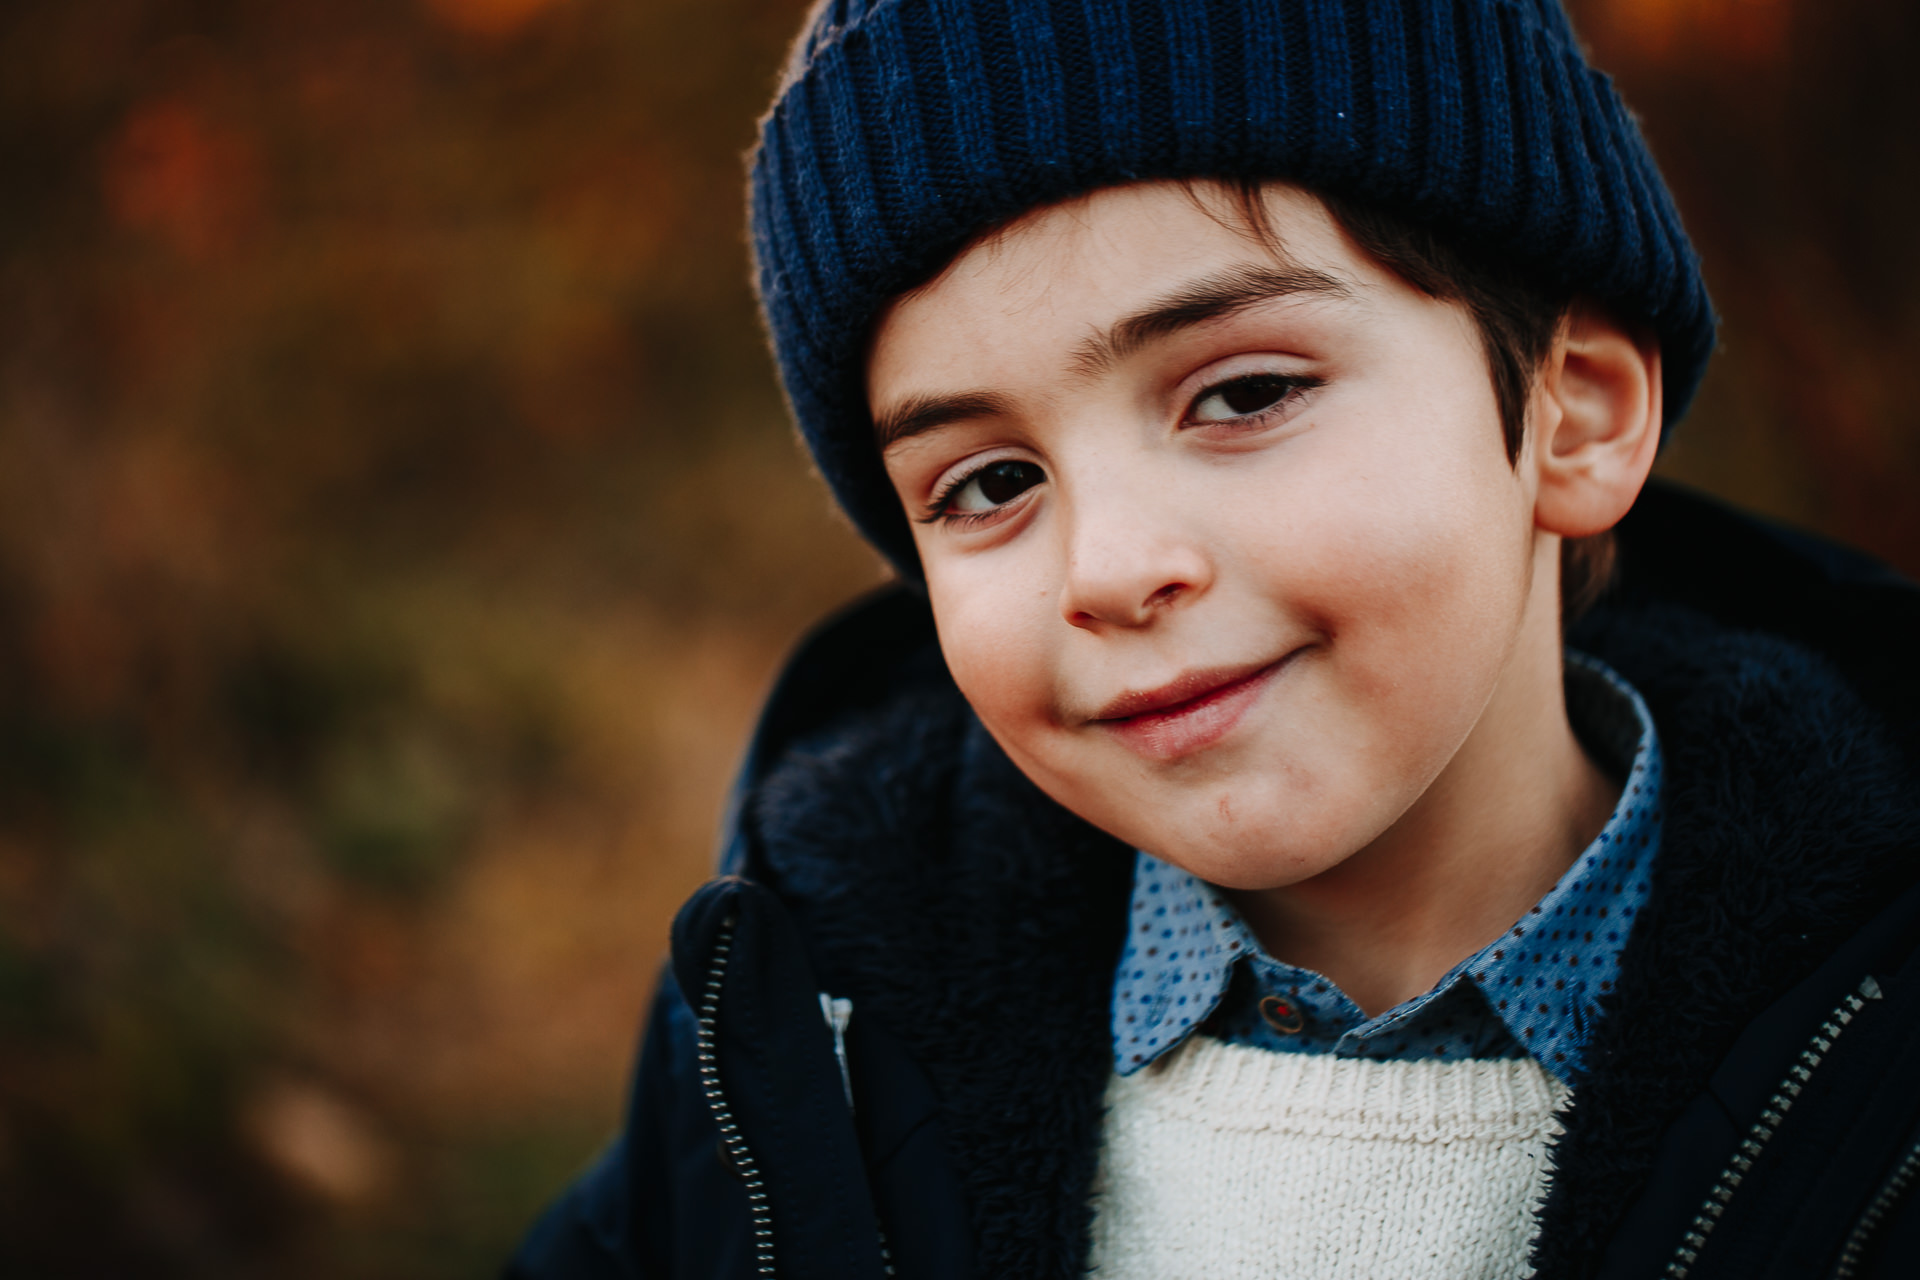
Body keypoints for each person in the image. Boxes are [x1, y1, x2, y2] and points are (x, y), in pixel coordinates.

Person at [509, 0, 1920, 1276]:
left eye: (1241, 395)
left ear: (1576, 415)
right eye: (989, 485)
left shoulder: (1870, 1035)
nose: (1112, 571)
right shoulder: (798, 1046)